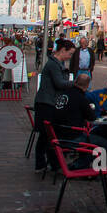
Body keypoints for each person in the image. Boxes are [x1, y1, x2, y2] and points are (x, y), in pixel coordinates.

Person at [35, 39, 80, 172]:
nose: (70, 57)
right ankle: (49, 164)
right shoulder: (54, 65)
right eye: (70, 53)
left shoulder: (57, 63)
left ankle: (45, 163)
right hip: (46, 103)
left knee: (46, 136)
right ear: (63, 50)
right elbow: (59, 83)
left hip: (48, 102)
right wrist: (75, 83)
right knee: (48, 136)